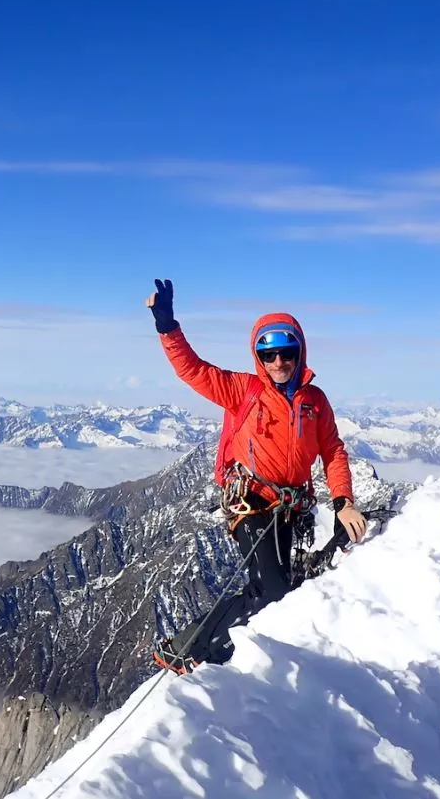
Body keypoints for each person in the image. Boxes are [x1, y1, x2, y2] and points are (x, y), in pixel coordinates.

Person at [146, 278, 362, 674]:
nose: (278, 363)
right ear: (257, 357)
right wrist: (167, 327)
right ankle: (191, 648)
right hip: (250, 502)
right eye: (269, 356)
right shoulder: (241, 390)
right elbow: (193, 370)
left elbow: (332, 451)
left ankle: (230, 645)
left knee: (278, 589)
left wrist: (344, 501)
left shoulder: (315, 402)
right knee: (273, 588)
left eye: (286, 354)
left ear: (300, 353)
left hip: (291, 508)